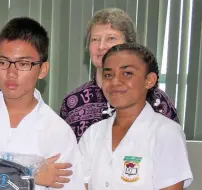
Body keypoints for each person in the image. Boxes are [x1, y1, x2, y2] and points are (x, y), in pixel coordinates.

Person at [0, 17, 84, 189]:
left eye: (23, 64)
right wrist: (29, 175)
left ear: (43, 70)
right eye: (3, 62)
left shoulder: (57, 132)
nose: (11, 73)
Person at [79, 43, 193, 190]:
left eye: (127, 73)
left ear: (149, 80)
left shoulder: (166, 133)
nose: (115, 81)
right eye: (108, 75)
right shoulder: (93, 134)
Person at [59, 8, 178, 141]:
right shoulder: (74, 102)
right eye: (95, 39)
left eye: (111, 38)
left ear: (129, 45)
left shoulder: (157, 100)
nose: (101, 46)